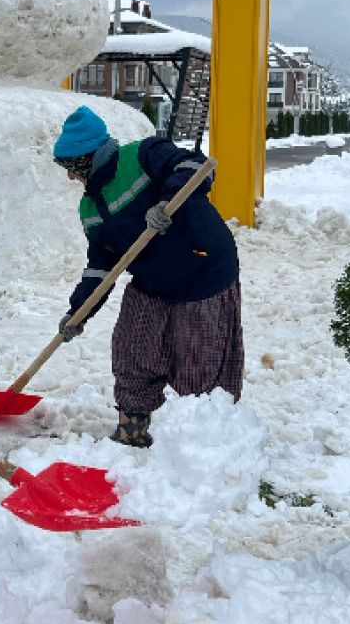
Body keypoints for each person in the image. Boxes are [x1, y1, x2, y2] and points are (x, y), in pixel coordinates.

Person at [52, 106, 243, 447]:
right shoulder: (90, 207)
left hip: (203, 269)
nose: (70, 177)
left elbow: (194, 167)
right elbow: (101, 264)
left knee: (199, 357)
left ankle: (203, 439)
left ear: (91, 156)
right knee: (133, 346)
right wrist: (78, 311)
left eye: (73, 167)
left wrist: (168, 202)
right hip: (151, 281)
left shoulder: (142, 156)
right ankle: (133, 425)